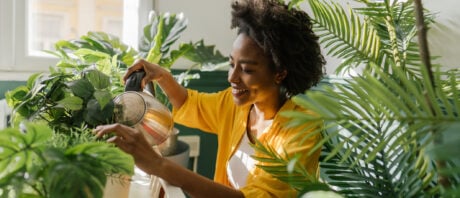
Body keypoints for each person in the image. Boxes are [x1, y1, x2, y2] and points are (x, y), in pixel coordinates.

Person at [94, 0, 326, 197]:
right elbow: (190, 104)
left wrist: (159, 166)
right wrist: (163, 75)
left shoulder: (302, 129)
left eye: (246, 69)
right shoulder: (237, 106)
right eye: (231, 64)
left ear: (280, 73)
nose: (232, 77)